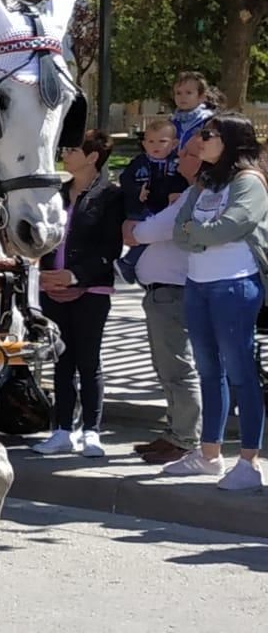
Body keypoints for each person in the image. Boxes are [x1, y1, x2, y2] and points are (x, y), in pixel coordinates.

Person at [161, 114, 268, 488]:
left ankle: (250, 462)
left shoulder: (249, 182)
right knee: (209, 370)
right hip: (198, 284)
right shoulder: (204, 183)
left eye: (208, 135)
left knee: (241, 372)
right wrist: (202, 235)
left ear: (231, 141)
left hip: (235, 286)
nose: (200, 141)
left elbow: (235, 224)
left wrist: (199, 235)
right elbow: (179, 229)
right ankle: (210, 455)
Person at [34, 130, 125, 457]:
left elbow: (110, 246)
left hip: (91, 290)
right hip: (51, 289)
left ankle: (91, 431)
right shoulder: (55, 194)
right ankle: (61, 430)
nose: (66, 154)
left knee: (88, 361)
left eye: (72, 149)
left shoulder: (110, 196)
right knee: (62, 360)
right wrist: (42, 274)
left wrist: (74, 275)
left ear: (93, 156)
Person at [124, 136, 208, 466]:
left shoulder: (193, 196)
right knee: (166, 366)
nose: (179, 158)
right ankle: (175, 432)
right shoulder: (187, 194)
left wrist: (137, 229)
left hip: (174, 291)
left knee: (178, 368)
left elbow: (145, 232)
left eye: (187, 154)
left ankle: (186, 437)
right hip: (162, 291)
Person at [115, 117, 181, 284]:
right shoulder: (139, 162)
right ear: (144, 144)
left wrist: (175, 191)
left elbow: (181, 180)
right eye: (150, 141)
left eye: (162, 141)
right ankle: (128, 262)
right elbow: (125, 179)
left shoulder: (176, 163)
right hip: (141, 207)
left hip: (163, 207)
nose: (155, 146)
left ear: (173, 144)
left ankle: (135, 264)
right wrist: (138, 190)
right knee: (146, 232)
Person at [170, 71, 217, 149]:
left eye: (188, 93)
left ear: (201, 96)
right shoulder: (172, 121)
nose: (182, 97)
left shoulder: (208, 120)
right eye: (178, 93)